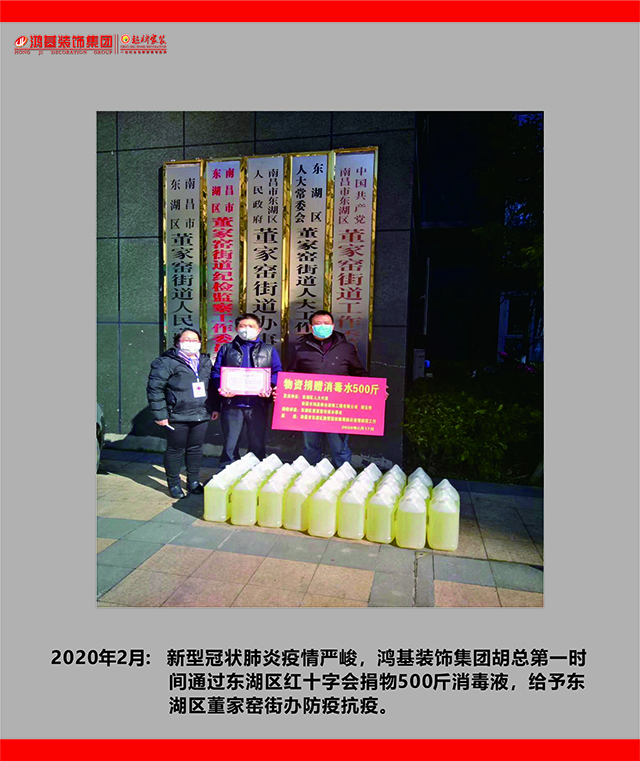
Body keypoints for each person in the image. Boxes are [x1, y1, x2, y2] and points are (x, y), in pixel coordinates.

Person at [286, 310, 368, 468]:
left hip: (338, 405)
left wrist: (376, 391)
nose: (322, 326)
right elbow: (291, 373)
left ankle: (343, 476)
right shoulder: (300, 348)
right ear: (311, 327)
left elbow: (358, 372)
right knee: (310, 446)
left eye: (326, 323)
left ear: (333, 326)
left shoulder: (346, 348)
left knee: (339, 447)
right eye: (318, 324)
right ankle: (310, 475)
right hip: (309, 405)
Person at [146, 329, 216, 499]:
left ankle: (193, 482)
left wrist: (215, 407)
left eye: (195, 340)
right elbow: (155, 389)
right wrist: (160, 414)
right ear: (178, 342)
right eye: (187, 339)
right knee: (175, 449)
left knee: (196, 448)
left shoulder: (205, 361)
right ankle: (174, 483)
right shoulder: (165, 362)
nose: (191, 343)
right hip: (176, 414)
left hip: (201, 413)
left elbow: (212, 386)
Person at [210, 313, 283, 465]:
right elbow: (216, 372)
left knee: (257, 442)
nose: (246, 329)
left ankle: (256, 470)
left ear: (259, 329)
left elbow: (277, 372)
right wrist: (221, 387)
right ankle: (227, 469)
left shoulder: (269, 350)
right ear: (237, 329)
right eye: (243, 326)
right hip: (232, 404)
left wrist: (269, 386)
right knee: (230, 442)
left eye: (251, 326)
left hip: (258, 404)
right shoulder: (227, 348)